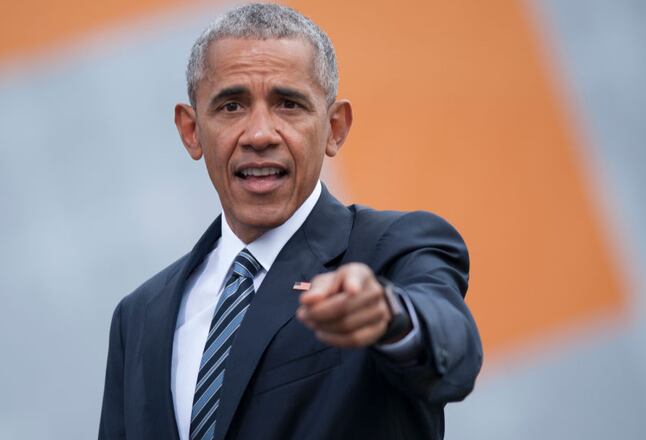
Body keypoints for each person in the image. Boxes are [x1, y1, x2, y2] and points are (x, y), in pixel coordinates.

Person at [98, 3, 482, 440]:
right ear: (191, 130)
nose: (260, 134)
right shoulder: (139, 317)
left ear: (335, 128)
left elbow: (454, 349)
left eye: (288, 104)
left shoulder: (391, 249)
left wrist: (392, 317)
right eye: (231, 106)